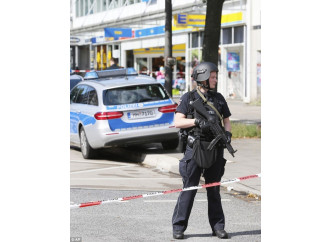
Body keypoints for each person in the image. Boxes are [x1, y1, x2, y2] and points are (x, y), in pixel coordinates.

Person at [172, 62, 232, 240]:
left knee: (214, 190)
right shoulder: (188, 98)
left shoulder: (219, 98)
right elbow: (178, 121)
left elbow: (227, 119)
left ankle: (218, 227)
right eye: (212, 77)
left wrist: (227, 133)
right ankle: (178, 227)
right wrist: (196, 122)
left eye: (215, 77)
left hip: (215, 149)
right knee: (189, 189)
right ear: (202, 78)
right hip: (195, 148)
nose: (215, 80)